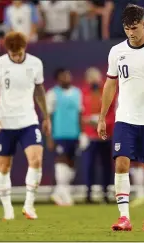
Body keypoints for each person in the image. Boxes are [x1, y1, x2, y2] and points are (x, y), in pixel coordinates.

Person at [97, 4, 144, 231]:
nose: (132, 32)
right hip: (125, 118)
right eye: (128, 28)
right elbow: (110, 84)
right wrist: (102, 117)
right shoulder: (116, 52)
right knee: (121, 162)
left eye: (135, 27)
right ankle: (124, 217)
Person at [0, 31, 51, 220]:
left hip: (28, 120)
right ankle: (8, 209)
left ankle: (29, 205)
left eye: (19, 53)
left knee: (36, 159)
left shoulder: (35, 63)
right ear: (7, 51)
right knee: (4, 167)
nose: (16, 57)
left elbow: (39, 90)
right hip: (5, 122)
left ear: (24, 48)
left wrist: (46, 116)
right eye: (12, 54)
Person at [46, 68, 82, 206]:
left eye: (68, 75)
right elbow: (49, 116)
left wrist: (82, 133)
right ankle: (64, 192)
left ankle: (59, 192)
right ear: (57, 79)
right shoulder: (52, 94)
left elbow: (79, 113)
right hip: (59, 134)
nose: (66, 78)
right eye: (63, 76)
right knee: (62, 160)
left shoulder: (77, 93)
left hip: (74, 134)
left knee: (72, 163)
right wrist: (49, 137)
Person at [81, 67, 115, 204]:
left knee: (107, 165)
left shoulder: (107, 91)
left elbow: (113, 112)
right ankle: (88, 194)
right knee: (89, 166)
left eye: (96, 77)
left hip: (106, 134)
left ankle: (106, 193)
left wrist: (104, 122)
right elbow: (81, 113)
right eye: (91, 78)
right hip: (90, 136)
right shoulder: (84, 93)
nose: (94, 80)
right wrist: (87, 122)